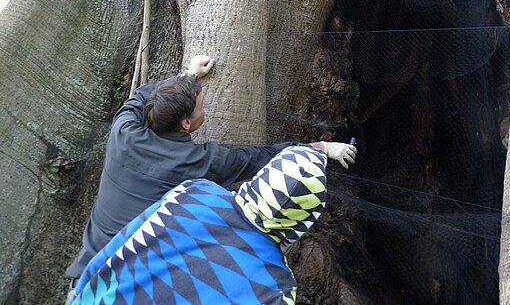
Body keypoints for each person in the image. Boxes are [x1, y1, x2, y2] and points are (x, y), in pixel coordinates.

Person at [65, 55, 356, 301]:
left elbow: (140, 98)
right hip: (129, 287)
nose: (206, 107)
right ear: (187, 123)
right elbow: (258, 157)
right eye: (202, 105)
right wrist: (319, 149)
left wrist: (187, 77)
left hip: (87, 281)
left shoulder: (124, 130)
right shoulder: (199, 172)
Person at [70, 144, 329, 304]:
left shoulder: (193, 192)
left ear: (263, 176)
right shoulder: (277, 290)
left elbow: (121, 244)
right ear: (304, 222)